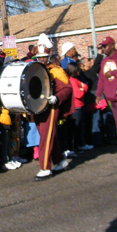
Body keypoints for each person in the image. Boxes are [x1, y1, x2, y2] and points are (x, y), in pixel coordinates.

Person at [32, 34, 73, 180]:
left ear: (48, 57)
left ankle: (45, 168)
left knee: (45, 136)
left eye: (44, 56)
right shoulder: (34, 71)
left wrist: (57, 97)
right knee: (47, 136)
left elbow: (67, 89)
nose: (41, 59)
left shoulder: (56, 71)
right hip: (38, 108)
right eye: (39, 57)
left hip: (51, 107)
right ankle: (60, 160)